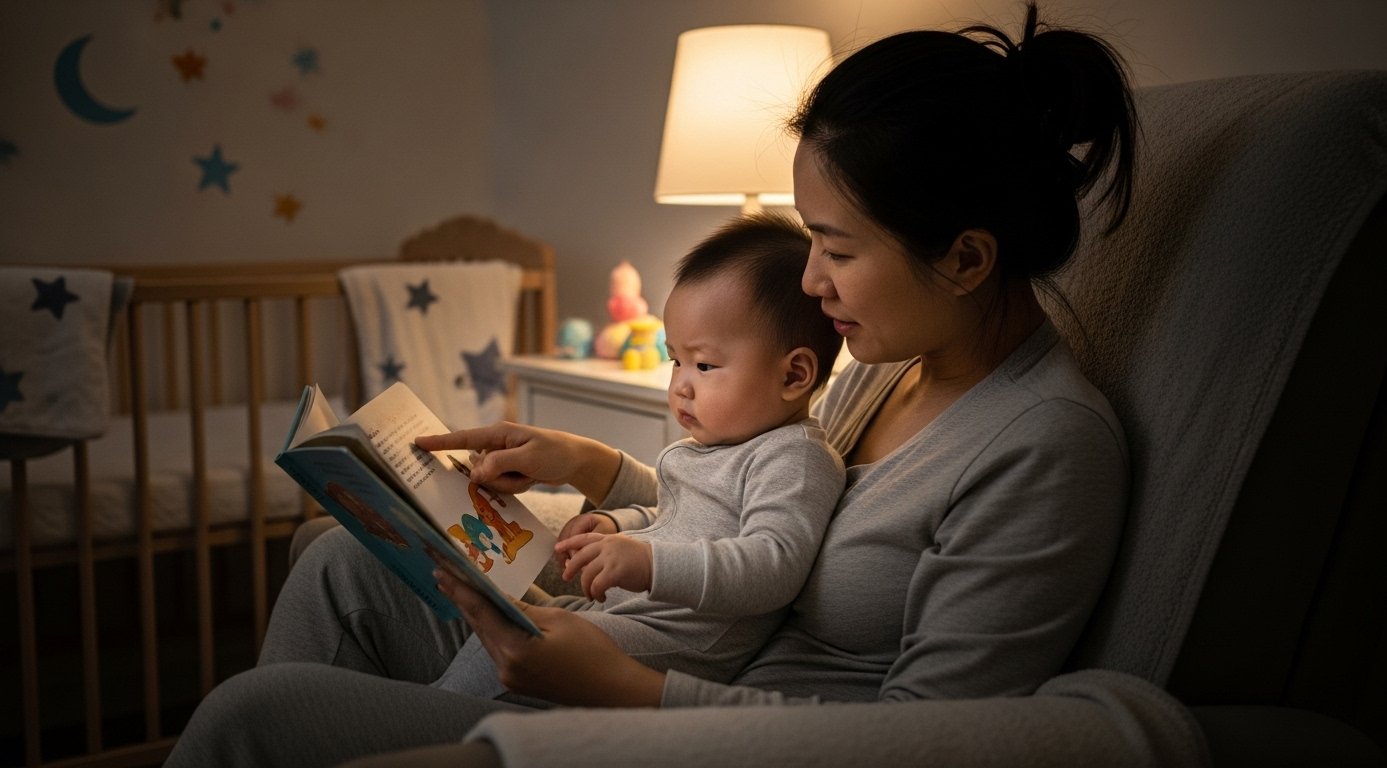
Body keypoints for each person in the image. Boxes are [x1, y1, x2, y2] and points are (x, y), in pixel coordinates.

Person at [165, 4, 1139, 765]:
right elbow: (751, 494)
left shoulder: (1043, 446)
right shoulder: (882, 372)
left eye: (837, 249)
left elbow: (931, 742)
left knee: (255, 715)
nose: (809, 283)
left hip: (695, 727)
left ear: (966, 258)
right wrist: (594, 469)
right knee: (339, 561)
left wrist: (623, 692)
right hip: (660, 652)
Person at [429, 212, 846, 698]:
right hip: (631, 615)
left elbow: (773, 565)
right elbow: (682, 520)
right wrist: (622, 524)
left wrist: (649, 561)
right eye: (676, 361)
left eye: (705, 364)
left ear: (794, 375)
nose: (680, 386)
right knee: (488, 598)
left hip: (681, 645)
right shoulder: (713, 448)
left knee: (516, 637)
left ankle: (429, 720)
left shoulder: (794, 459)